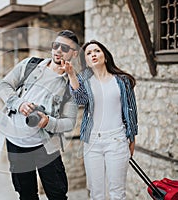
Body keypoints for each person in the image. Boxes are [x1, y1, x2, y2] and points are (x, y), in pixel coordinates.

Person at [0, 30, 79, 200]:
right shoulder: (30, 64)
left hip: (46, 146)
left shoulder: (72, 83)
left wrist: (48, 121)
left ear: (74, 53)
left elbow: (70, 122)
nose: (58, 50)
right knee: (26, 195)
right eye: (55, 45)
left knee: (57, 194)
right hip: (15, 142)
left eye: (64, 48)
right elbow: (3, 86)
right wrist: (19, 104)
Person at [63, 40, 138, 200]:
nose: (93, 55)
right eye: (89, 53)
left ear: (105, 56)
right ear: (86, 61)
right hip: (92, 143)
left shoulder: (122, 81)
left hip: (117, 140)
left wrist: (132, 138)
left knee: (117, 193)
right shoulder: (84, 80)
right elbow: (81, 100)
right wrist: (71, 75)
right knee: (96, 194)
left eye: (96, 51)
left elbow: (131, 111)